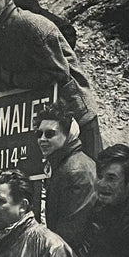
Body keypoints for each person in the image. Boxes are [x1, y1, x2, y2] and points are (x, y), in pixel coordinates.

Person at [0, 0, 104, 160]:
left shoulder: (31, 25)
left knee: (89, 173)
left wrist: (12, 79)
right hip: (45, 121)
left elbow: (57, 73)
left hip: (76, 114)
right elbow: (5, 76)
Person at [36, 104, 98, 249]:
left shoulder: (75, 171)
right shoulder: (63, 165)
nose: (42, 139)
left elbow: (71, 233)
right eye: (39, 134)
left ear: (69, 135)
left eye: (50, 134)